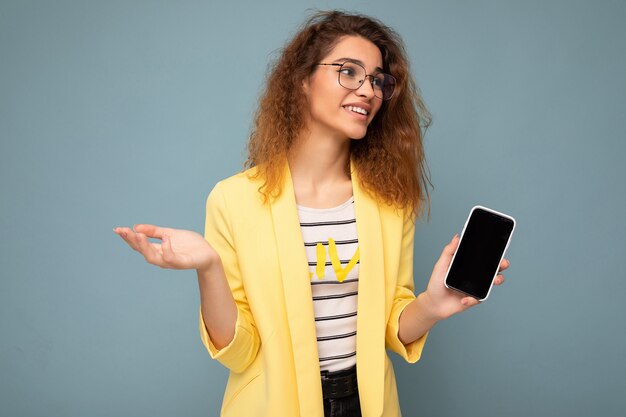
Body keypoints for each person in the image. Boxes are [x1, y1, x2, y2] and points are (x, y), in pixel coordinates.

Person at [113, 10, 509, 417]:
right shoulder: (233, 200)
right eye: (349, 71)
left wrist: (433, 304)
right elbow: (238, 349)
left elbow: (391, 327)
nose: (368, 90)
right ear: (302, 80)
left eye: (377, 80)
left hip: (367, 404)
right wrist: (209, 267)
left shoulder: (391, 203)